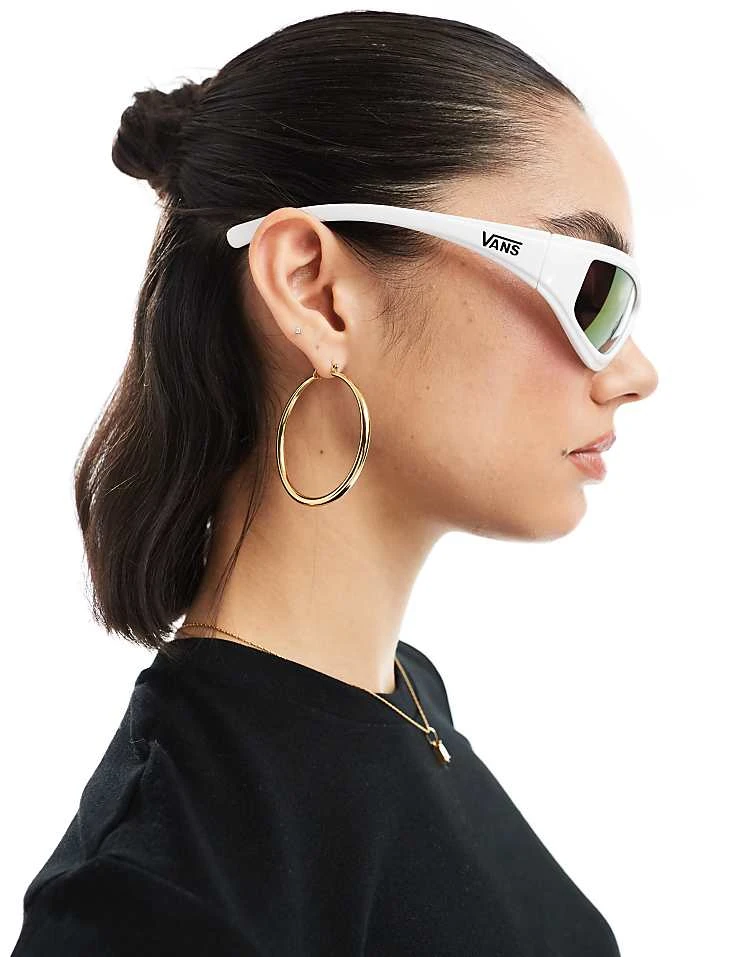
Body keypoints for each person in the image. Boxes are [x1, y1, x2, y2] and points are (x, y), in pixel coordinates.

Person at [11, 9, 658, 956]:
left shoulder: (402, 695)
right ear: (314, 290)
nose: (636, 370)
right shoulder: (156, 897)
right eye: (591, 286)